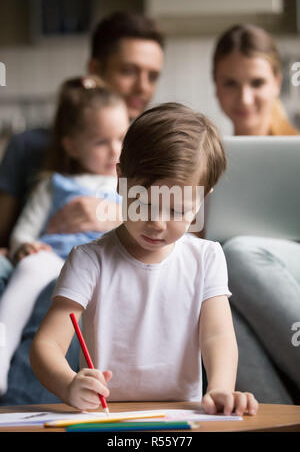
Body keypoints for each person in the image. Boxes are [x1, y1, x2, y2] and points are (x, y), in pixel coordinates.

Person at [30, 103, 259, 416]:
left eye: (178, 210)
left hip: (184, 415)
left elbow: (217, 335)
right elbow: (47, 345)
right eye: (144, 203)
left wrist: (220, 387)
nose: (158, 224)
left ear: (204, 198)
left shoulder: (207, 257)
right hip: (107, 417)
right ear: (120, 180)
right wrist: (69, 384)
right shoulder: (89, 260)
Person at [0, 11, 164, 405]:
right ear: (95, 68)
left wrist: (111, 217)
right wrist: (26, 245)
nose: (142, 86)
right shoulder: (36, 155)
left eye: (152, 75)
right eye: (129, 71)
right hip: (44, 256)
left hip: (101, 259)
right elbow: (11, 232)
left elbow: (176, 221)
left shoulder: (145, 155)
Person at [0, 75, 129, 395]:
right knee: (31, 268)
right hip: (54, 259)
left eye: (122, 139)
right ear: (72, 145)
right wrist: (25, 247)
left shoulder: (130, 188)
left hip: (99, 263)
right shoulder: (53, 183)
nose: (114, 150)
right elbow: (24, 232)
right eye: (101, 142)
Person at [212, 24, 300, 403]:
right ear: (215, 86)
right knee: (210, 297)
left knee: (239, 252)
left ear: (278, 81)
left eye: (257, 82)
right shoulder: (201, 161)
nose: (244, 97)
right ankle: (278, 421)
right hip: (237, 287)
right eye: (230, 83)